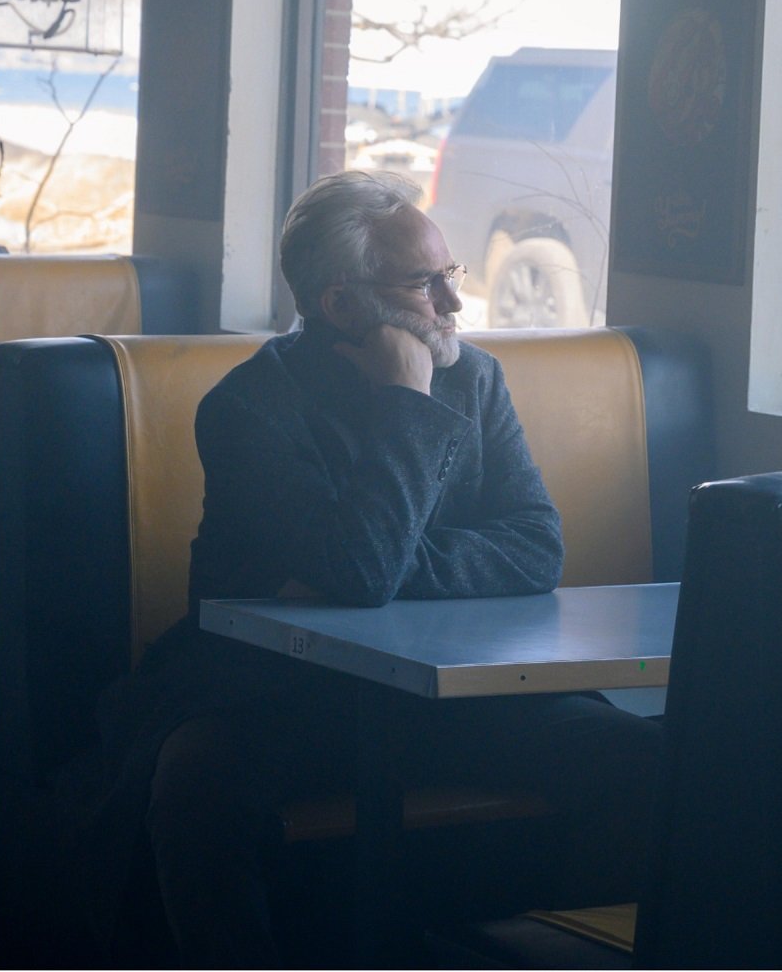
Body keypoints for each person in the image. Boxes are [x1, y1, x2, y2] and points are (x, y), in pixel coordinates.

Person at [70, 171, 663, 966]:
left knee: (645, 762)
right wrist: (405, 407)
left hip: (453, 693)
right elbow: (361, 569)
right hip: (277, 693)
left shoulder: (475, 378)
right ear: (342, 304)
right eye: (425, 284)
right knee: (195, 792)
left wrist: (370, 566)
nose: (454, 307)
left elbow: (533, 546)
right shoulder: (250, 407)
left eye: (450, 277)